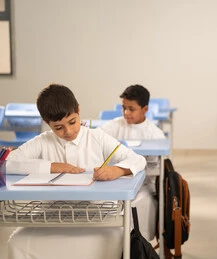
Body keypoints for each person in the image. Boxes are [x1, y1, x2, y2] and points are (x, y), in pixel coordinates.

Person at [6, 84, 147, 259]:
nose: (68, 131)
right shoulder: (42, 142)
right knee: (17, 243)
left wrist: (116, 170)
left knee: (115, 239)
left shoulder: (96, 137)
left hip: (98, 212)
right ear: (46, 122)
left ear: (79, 111)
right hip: (50, 215)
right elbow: (8, 162)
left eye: (72, 122)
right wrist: (52, 166)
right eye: (58, 127)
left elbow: (138, 159)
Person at [99, 84, 165, 241]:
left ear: (145, 109)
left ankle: (139, 246)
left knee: (140, 204)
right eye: (123, 108)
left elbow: (154, 170)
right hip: (114, 181)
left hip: (142, 186)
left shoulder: (155, 134)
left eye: (131, 109)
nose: (126, 113)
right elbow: (96, 138)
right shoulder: (114, 125)